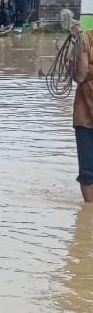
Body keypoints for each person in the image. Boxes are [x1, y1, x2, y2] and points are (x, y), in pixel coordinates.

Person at [72, 23, 93, 203]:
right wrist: (78, 44)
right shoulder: (85, 39)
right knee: (87, 172)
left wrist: (89, 70)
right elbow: (79, 76)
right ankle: (89, 209)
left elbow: (85, 73)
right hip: (85, 114)